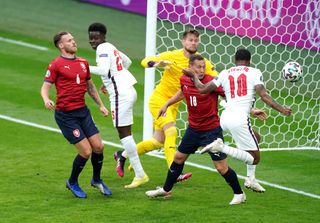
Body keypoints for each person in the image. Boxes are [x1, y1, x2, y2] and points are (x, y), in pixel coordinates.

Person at [145, 54, 265, 204]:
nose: (202, 70)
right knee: (178, 158)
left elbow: (230, 98)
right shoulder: (184, 79)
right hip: (193, 129)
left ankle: (239, 194)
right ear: (190, 67)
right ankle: (165, 189)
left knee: (221, 168)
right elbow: (183, 91)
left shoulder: (211, 82)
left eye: (203, 67)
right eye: (198, 67)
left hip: (211, 130)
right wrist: (167, 104)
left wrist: (252, 111)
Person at [115, 29, 217, 182]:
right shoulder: (171, 56)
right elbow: (144, 62)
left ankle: (122, 155)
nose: (193, 42)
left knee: (157, 142)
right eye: (190, 40)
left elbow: (218, 79)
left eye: (196, 40)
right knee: (171, 131)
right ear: (183, 42)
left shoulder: (202, 63)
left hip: (173, 105)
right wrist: (156, 63)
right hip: (159, 100)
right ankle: (174, 171)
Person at [185, 48, 292, 192]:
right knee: (254, 158)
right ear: (249, 61)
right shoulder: (254, 72)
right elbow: (264, 96)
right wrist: (282, 109)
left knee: (256, 137)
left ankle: (251, 179)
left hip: (225, 118)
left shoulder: (225, 73)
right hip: (239, 120)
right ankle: (221, 147)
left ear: (234, 61)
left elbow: (203, 89)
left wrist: (193, 77)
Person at [40, 31, 112, 198]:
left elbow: (90, 86)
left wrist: (101, 105)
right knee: (86, 151)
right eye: (69, 40)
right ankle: (72, 182)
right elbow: (45, 86)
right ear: (61, 45)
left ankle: (96, 180)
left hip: (83, 112)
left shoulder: (83, 62)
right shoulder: (56, 64)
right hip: (66, 116)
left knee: (99, 147)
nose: (74, 42)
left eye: (73, 39)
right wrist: (46, 99)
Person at [88, 23, 149, 188]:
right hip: (129, 90)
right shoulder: (110, 46)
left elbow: (103, 70)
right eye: (91, 38)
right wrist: (110, 80)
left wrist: (83, 66)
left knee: (124, 134)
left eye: (96, 37)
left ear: (103, 36)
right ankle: (135, 170)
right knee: (126, 133)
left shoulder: (102, 48)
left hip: (120, 95)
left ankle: (140, 174)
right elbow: (127, 61)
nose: (93, 41)